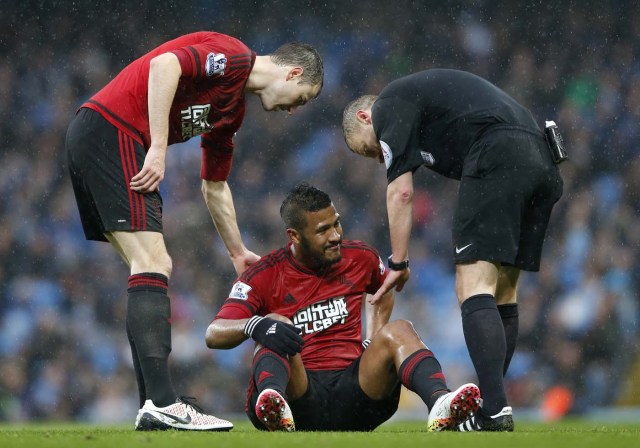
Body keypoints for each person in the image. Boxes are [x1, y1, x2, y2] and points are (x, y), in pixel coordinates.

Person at [65, 32, 323, 431]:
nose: (294, 110)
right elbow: (164, 65)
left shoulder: (231, 110)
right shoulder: (234, 57)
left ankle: (152, 405)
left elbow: (215, 185)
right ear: (292, 73)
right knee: (154, 261)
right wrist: (157, 147)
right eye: (303, 98)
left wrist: (237, 252)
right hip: (114, 131)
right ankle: (163, 403)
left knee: (144, 266)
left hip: (99, 134)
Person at [342, 69, 564, 432]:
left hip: (500, 151)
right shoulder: (423, 110)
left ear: (366, 117)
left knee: (472, 285)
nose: (379, 159)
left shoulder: (387, 105)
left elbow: (400, 192)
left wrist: (398, 261)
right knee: (503, 292)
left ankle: (493, 411)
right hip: (543, 161)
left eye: (369, 149)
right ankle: (495, 407)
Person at [205, 183, 481, 432]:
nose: (335, 235)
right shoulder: (264, 274)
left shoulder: (360, 257)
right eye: (323, 230)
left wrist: (372, 337)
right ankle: (276, 405)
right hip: (300, 395)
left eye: (336, 224)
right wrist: (256, 325)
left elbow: (382, 292)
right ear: (295, 236)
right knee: (275, 325)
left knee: (400, 329)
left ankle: (442, 404)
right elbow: (214, 333)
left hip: (357, 394)